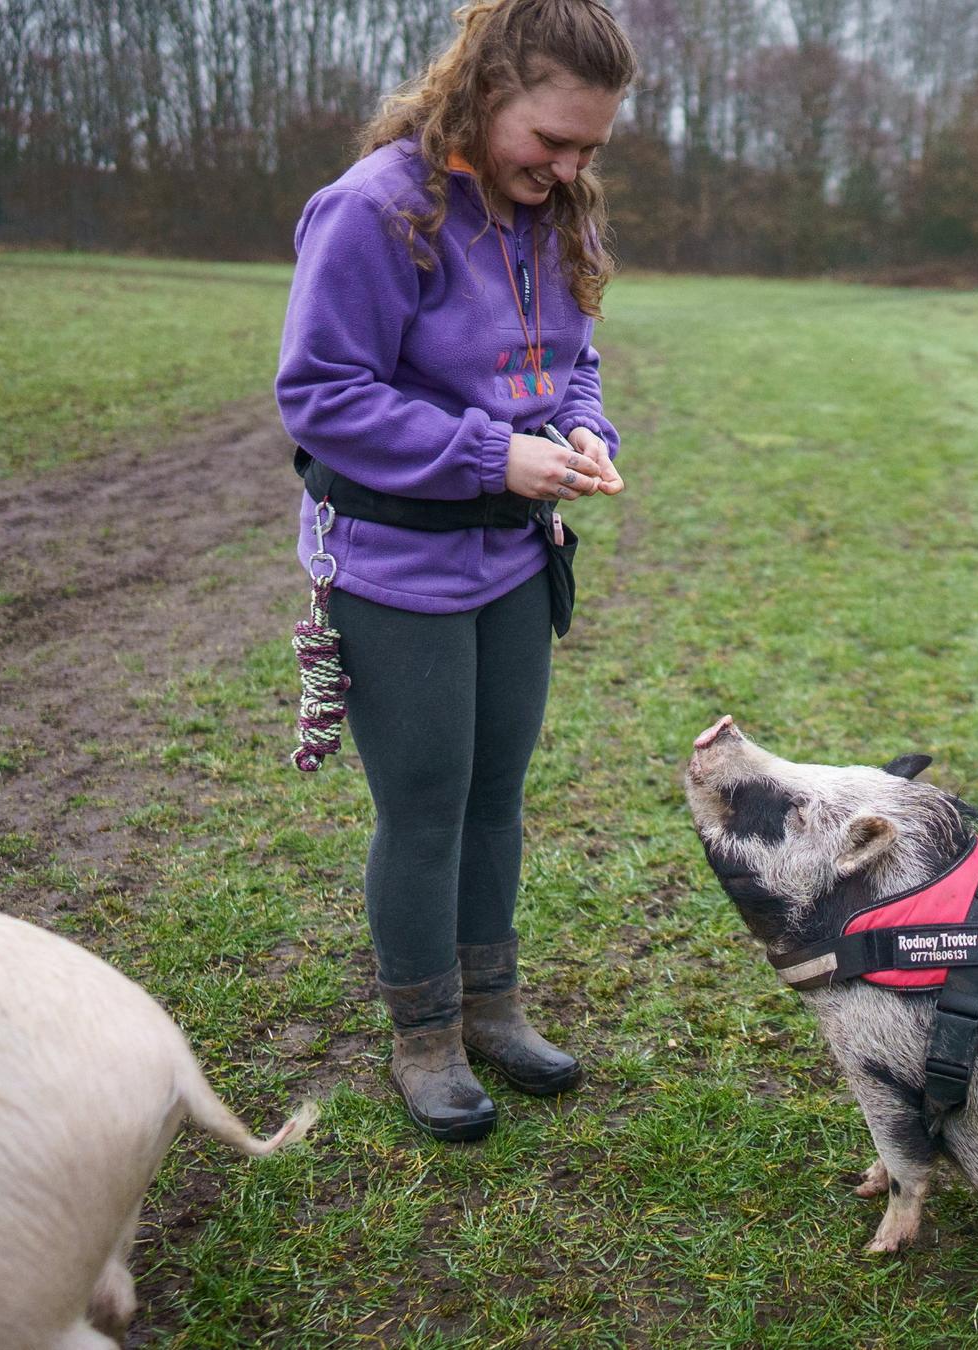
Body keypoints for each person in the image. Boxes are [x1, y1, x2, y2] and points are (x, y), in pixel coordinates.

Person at [275, 0, 636, 1142]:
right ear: (486, 91)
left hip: (516, 559)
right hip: (397, 564)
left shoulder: (549, 211)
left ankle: (495, 1008)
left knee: (496, 792)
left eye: (592, 148)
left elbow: (572, 364)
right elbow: (322, 394)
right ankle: (423, 1034)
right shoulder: (377, 212)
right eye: (553, 141)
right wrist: (492, 452)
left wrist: (584, 437)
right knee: (425, 805)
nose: (572, 167)